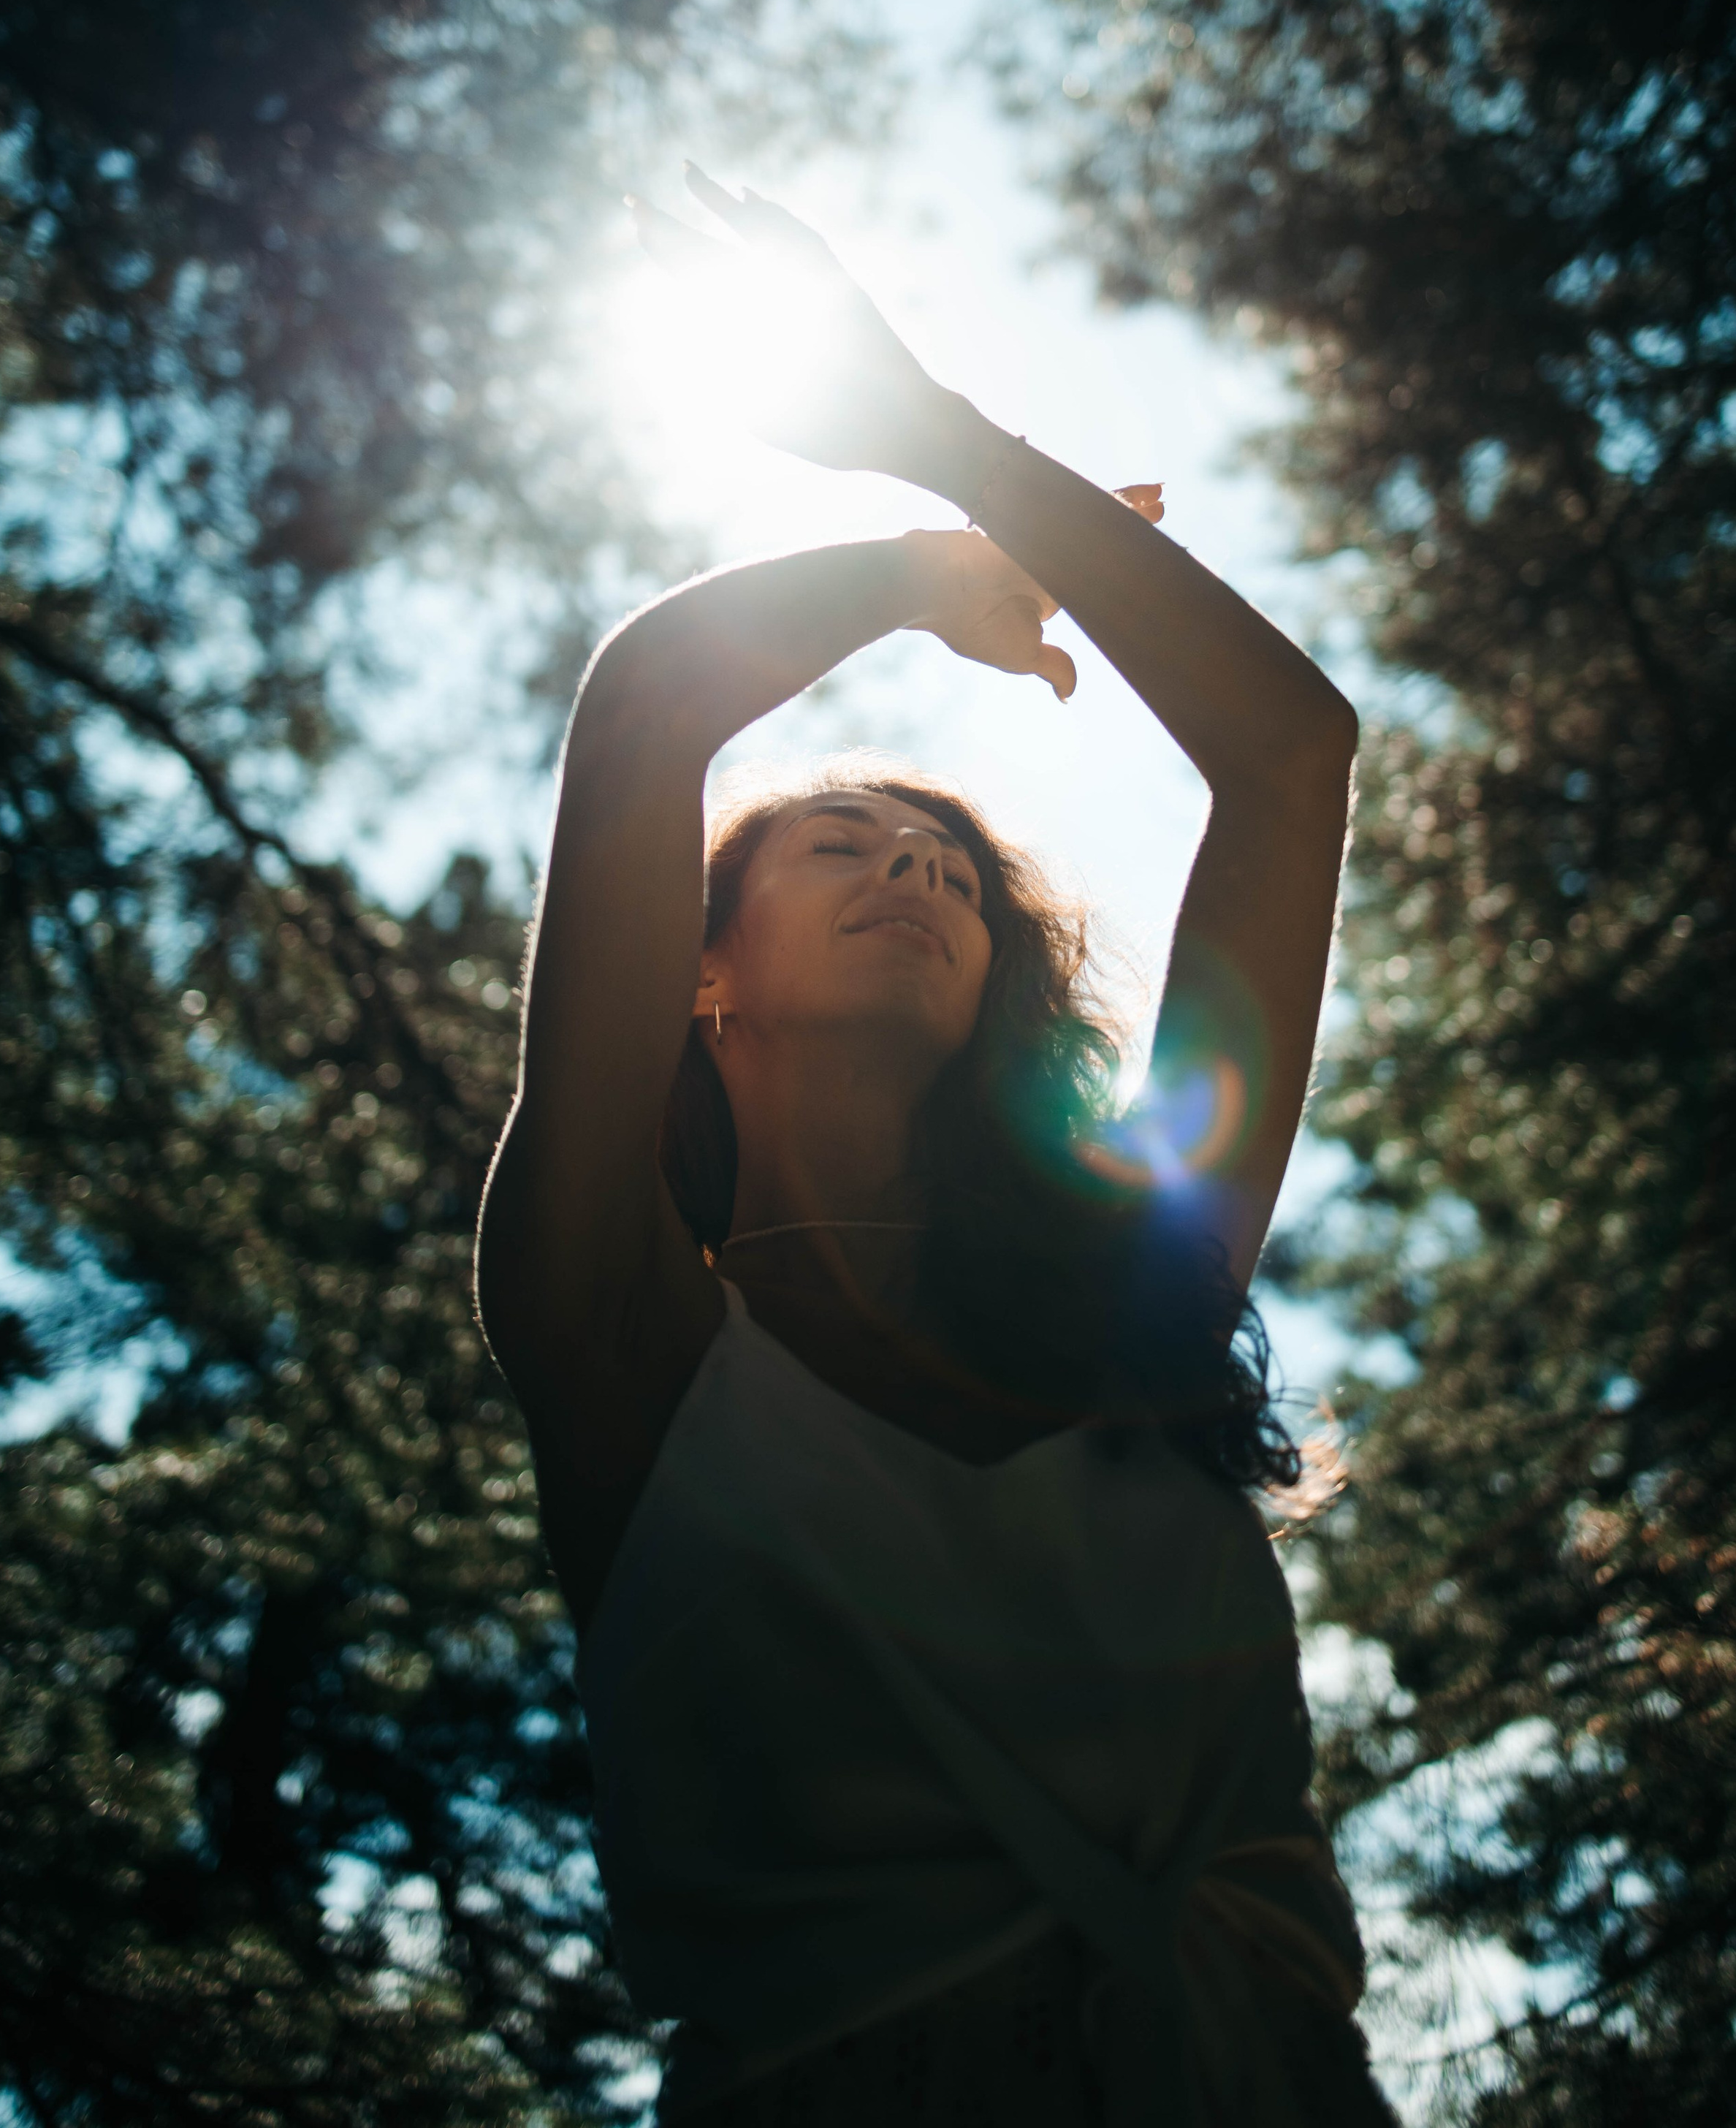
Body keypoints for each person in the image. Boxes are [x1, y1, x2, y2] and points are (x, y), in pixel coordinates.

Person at [475, 171, 1389, 2125]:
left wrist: (935, 424)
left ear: (1003, 982)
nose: (910, 859)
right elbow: (648, 714)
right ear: (700, 981)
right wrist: (913, 563)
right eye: (836, 846)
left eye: (953, 865)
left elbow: (1291, 759)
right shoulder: (623, 1332)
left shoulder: (1137, 1297)